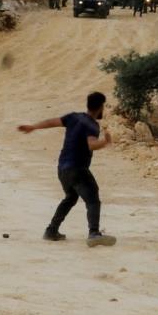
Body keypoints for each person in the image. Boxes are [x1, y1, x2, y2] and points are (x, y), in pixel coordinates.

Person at [18, 92, 116, 247]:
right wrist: (105, 142)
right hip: (78, 168)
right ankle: (94, 233)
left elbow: (52, 122)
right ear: (100, 107)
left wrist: (34, 127)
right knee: (92, 198)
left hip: (62, 169)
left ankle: (51, 231)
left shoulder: (74, 117)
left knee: (70, 197)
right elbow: (92, 144)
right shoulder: (91, 125)